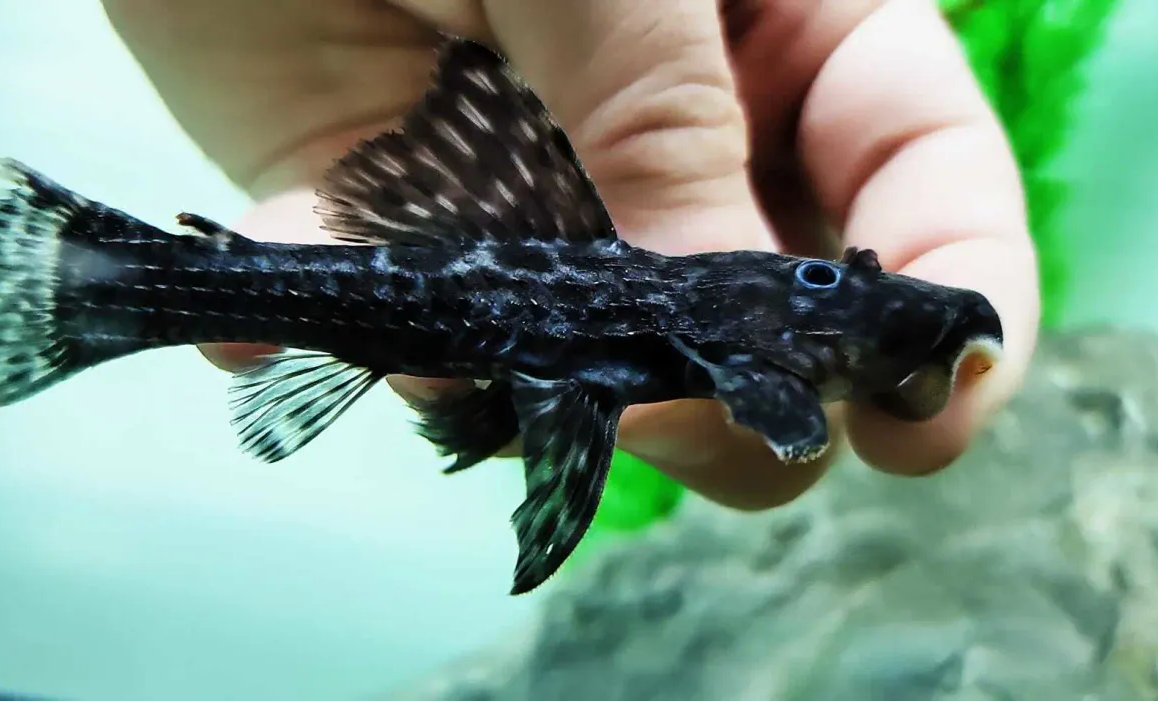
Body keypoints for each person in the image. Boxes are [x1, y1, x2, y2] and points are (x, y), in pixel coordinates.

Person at [98, 0, 1038, 510]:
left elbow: (767, 402)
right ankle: (114, 286)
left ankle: (117, 285)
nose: (829, 279)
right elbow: (771, 408)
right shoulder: (729, 327)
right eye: (824, 273)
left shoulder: (743, 354)